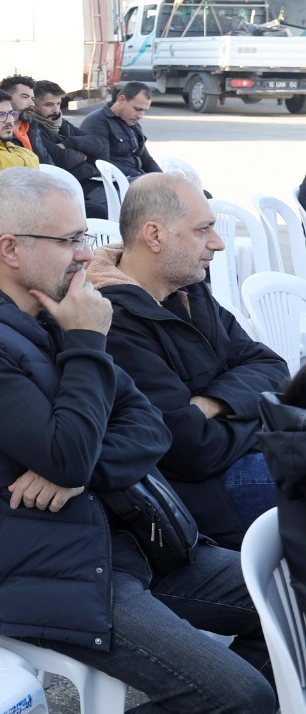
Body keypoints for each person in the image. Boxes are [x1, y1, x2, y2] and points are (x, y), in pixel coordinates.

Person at [0, 167, 275, 714]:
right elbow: (71, 452)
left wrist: (79, 468)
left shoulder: (49, 308)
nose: (89, 254)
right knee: (240, 702)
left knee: (293, 598)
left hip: (126, 541)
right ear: (11, 249)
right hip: (37, 570)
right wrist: (85, 344)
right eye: (71, 240)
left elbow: (149, 427)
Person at [88, 174, 288, 546]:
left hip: (242, 457)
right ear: (155, 235)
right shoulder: (109, 318)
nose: (219, 243)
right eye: (203, 229)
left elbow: (271, 365)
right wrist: (258, 413)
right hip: (205, 499)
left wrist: (212, 404)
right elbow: (189, 447)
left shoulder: (187, 288)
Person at [76, 82, 161, 215]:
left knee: (189, 193)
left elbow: (146, 159)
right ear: (121, 100)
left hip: (134, 180)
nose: (141, 116)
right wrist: (143, 178)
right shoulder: (98, 121)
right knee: (163, 203)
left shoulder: (132, 123)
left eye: (144, 110)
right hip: (106, 185)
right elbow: (103, 164)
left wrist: (161, 178)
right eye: (137, 109)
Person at [28, 79, 94, 185]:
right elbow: (64, 160)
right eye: (49, 105)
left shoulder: (61, 122)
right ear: (33, 105)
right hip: (63, 184)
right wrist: (85, 154)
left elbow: (97, 144)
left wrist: (68, 143)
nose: (56, 110)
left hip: (85, 178)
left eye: (58, 104)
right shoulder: (34, 128)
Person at [0, 74, 40, 152]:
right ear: (7, 98)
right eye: (25, 97)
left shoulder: (32, 127)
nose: (32, 103)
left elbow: (45, 159)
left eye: (32, 98)